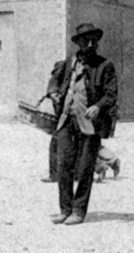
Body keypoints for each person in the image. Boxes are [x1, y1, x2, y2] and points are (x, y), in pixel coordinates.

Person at [50, 24, 118, 226]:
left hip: (89, 124)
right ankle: (65, 209)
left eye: (93, 40)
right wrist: (53, 92)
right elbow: (54, 79)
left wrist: (98, 106)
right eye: (85, 40)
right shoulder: (69, 63)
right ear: (78, 43)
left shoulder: (105, 66)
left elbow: (111, 94)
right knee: (64, 166)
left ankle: (78, 211)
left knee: (86, 168)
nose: (90, 43)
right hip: (66, 120)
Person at [41, 60, 68, 184]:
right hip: (67, 117)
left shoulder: (61, 71)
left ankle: (54, 175)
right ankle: (108, 161)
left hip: (63, 119)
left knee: (55, 146)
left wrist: (54, 96)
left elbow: (53, 89)